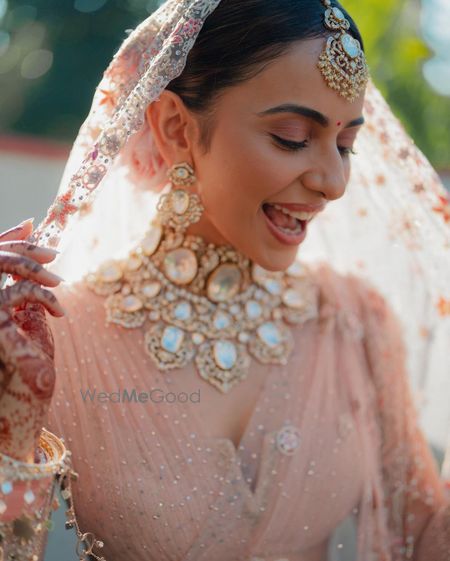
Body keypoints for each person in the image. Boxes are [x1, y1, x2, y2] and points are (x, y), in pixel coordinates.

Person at [1, 0, 449, 560]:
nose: (334, 183)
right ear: (174, 127)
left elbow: (426, 537)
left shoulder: (354, 322)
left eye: (345, 145)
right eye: (291, 137)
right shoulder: (54, 342)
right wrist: (12, 431)